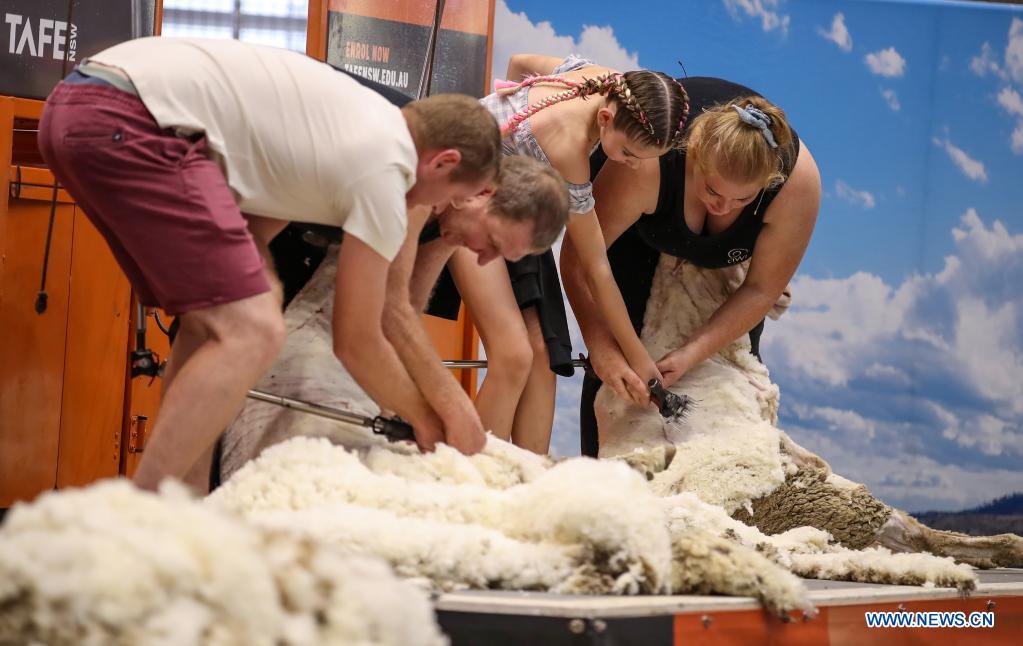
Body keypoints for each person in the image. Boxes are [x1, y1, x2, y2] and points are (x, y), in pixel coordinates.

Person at [37, 36, 501, 491]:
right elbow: (357, 340)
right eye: (451, 198)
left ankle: (186, 500)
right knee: (254, 329)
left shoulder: (348, 124)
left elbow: (252, 239)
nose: (438, 210)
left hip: (77, 103)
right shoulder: (386, 167)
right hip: (129, 119)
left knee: (213, 321)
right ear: (443, 162)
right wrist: (427, 420)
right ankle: (146, 510)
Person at [560, 77, 821, 457]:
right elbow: (578, 261)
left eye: (742, 199)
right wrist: (598, 344)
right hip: (638, 231)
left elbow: (761, 290)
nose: (723, 207)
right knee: (619, 370)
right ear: (693, 154)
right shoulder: (647, 161)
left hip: (731, 263)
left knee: (730, 373)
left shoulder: (798, 186)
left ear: (769, 182)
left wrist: (690, 354)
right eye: (712, 191)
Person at [448, 53, 690, 452]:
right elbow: (597, 268)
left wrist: (511, 132)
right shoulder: (567, 149)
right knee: (513, 356)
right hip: (458, 198)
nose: (630, 166)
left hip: (510, 205)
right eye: (629, 154)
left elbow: (520, 62)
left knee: (545, 353)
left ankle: (530, 480)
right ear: (606, 121)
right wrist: (640, 361)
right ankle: (472, 481)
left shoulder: (607, 80)